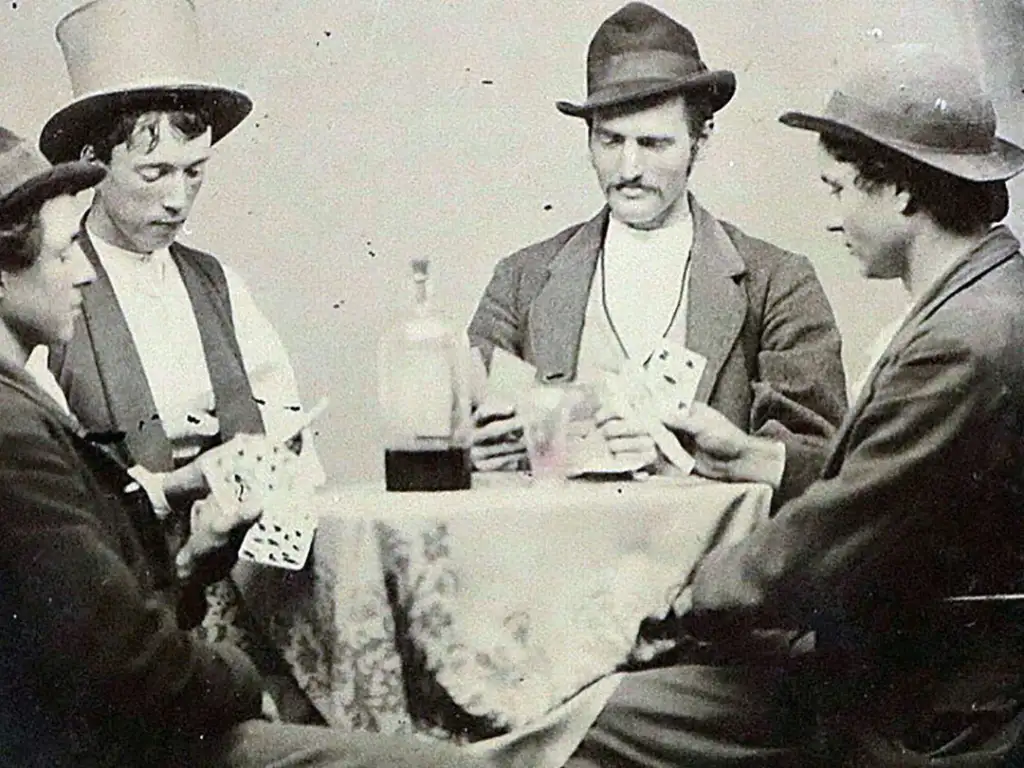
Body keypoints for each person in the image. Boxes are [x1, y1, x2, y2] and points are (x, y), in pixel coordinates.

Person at [0, 125, 487, 768]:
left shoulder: (207, 288)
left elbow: (100, 624)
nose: (84, 272)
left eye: (194, 172)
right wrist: (241, 685)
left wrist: (197, 554)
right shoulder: (14, 434)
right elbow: (117, 660)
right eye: (65, 253)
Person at [659, 46, 1024, 766]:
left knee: (598, 721)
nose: (830, 220)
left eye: (836, 189)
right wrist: (758, 456)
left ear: (901, 192)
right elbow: (903, 484)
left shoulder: (966, 340)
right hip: (923, 678)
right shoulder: (984, 301)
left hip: (929, 717)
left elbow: (842, 531)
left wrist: (677, 600)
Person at [31, 0, 325, 722]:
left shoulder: (218, 284)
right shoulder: (52, 292)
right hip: (126, 607)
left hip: (250, 586)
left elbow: (288, 425)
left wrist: (267, 454)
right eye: (155, 172)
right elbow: (52, 484)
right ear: (93, 165)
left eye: (195, 172)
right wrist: (170, 480)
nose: (178, 198)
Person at [467, 2, 846, 504]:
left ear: (701, 139)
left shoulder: (777, 282)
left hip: (712, 570)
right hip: (553, 563)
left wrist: (690, 458)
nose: (628, 167)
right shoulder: (522, 279)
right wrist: (474, 448)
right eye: (610, 140)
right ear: (589, 139)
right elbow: (463, 428)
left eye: (653, 143)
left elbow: (821, 466)